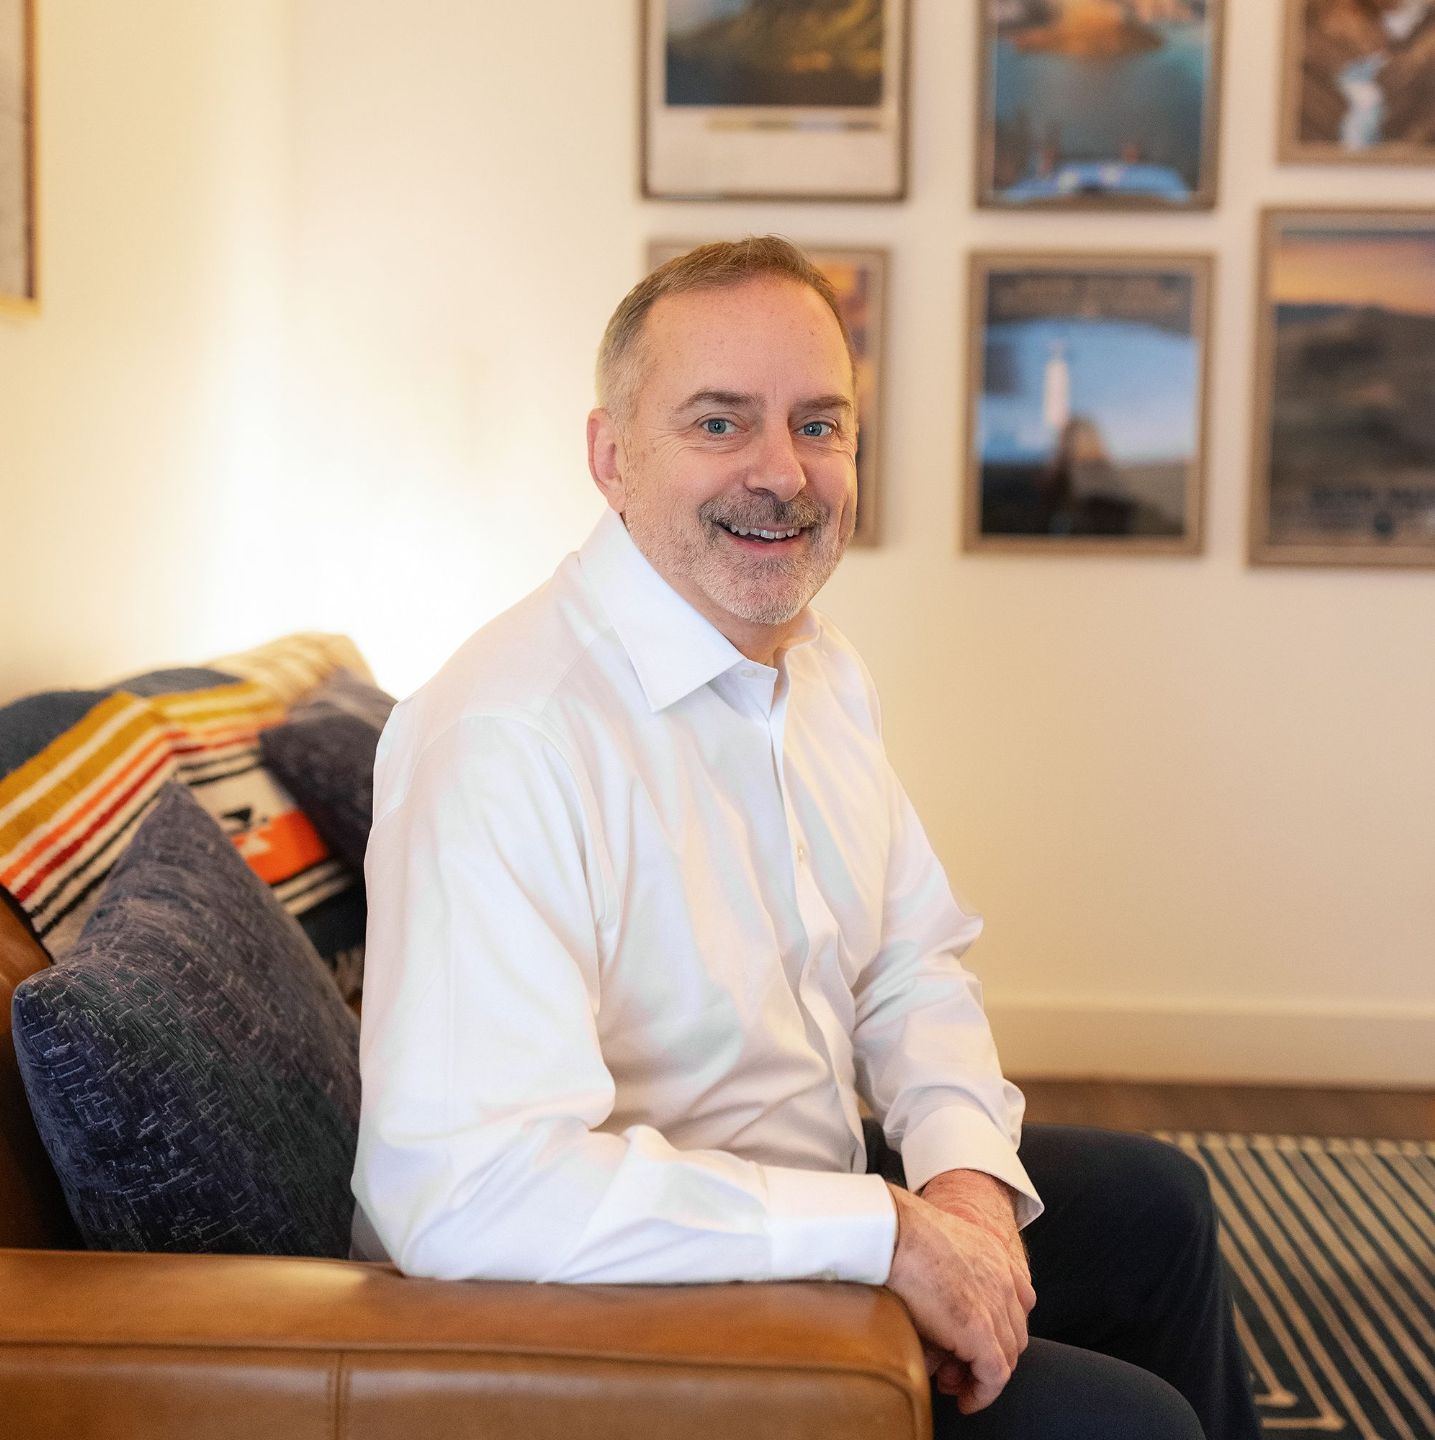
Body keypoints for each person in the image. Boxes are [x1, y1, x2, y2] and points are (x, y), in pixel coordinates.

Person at [351, 237, 1261, 1440]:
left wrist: (961, 1185)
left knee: (1163, 1209)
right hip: (627, 1311)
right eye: (720, 424)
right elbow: (468, 1193)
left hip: (812, 1202)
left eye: (820, 425)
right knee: (1130, 1424)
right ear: (611, 456)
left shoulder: (819, 668)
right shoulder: (505, 738)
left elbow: (908, 961)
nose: (782, 472)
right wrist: (886, 1235)